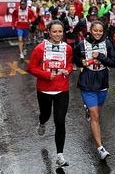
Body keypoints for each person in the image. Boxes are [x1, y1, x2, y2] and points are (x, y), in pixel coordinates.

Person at [27, 20, 73, 167]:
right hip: (44, 89)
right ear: (49, 32)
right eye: (55, 31)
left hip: (62, 88)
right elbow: (31, 68)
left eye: (60, 31)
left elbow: (70, 64)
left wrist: (68, 70)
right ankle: (41, 122)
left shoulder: (67, 48)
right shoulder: (40, 48)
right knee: (46, 115)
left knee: (60, 121)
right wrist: (46, 75)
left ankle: (60, 155)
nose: (58, 34)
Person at [73, 20, 115, 160]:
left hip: (102, 83)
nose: (98, 33)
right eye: (95, 30)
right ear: (90, 30)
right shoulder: (82, 45)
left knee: (96, 114)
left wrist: (100, 56)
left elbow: (114, 63)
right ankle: (100, 148)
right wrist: (81, 62)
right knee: (95, 116)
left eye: (100, 31)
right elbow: (75, 59)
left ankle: (88, 109)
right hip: (87, 83)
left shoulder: (107, 44)